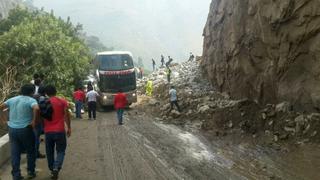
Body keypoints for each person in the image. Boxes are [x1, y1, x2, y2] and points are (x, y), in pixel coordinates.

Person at [0, 84, 39, 179]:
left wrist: (3, 120)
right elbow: (36, 108)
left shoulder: (12, 99)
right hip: (26, 128)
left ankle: (16, 175)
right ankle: (30, 171)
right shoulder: (31, 100)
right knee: (30, 151)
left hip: (12, 129)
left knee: (15, 152)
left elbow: (1, 106)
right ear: (32, 92)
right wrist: (34, 121)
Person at [43, 85, 71, 180]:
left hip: (48, 131)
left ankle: (52, 169)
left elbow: (40, 116)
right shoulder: (62, 101)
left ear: (46, 93)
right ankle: (56, 168)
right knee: (61, 151)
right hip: (59, 130)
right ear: (56, 91)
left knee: (49, 152)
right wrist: (69, 128)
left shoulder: (43, 102)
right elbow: (67, 115)